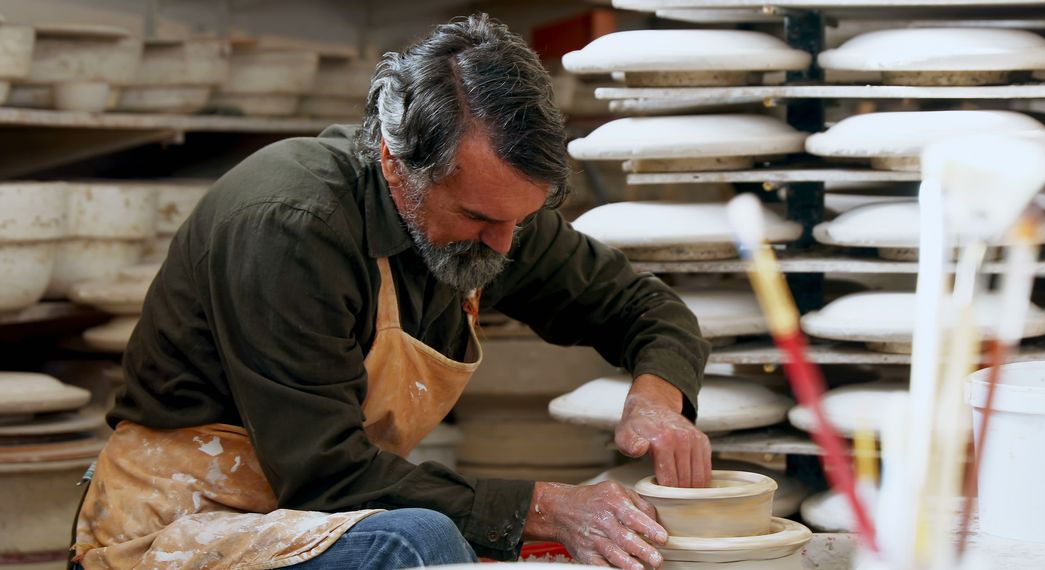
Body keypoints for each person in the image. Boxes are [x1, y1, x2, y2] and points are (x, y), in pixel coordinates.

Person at [71, 13, 711, 570]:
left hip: (310, 511)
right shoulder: (293, 225)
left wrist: (657, 398)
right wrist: (547, 508)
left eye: (520, 219)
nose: (504, 245)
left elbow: (646, 308)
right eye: (481, 219)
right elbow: (325, 474)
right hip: (183, 525)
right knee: (419, 542)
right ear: (394, 161)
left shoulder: (495, 215)